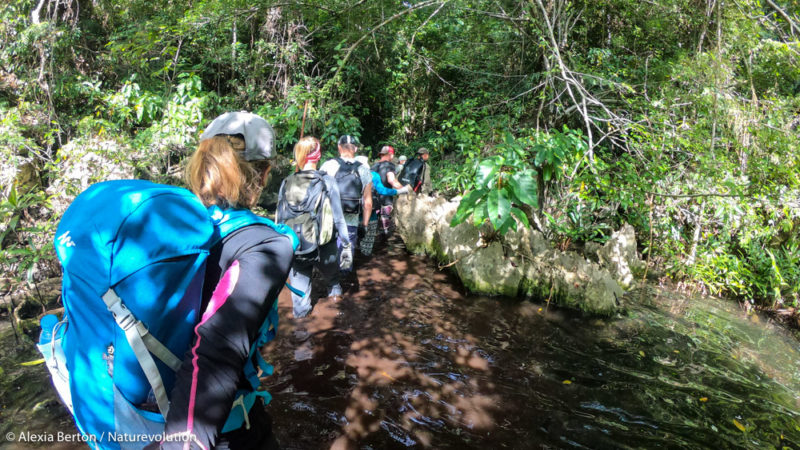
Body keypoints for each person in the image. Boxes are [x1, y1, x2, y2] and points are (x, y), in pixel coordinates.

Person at [157, 129, 294, 449]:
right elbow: (216, 349)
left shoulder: (181, 226)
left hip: (145, 409)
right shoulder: (263, 243)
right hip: (221, 427)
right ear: (263, 174)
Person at [277, 136, 352, 315]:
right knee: (333, 284)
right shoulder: (327, 181)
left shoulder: (286, 182)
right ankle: (335, 320)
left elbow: (279, 220)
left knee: (300, 304)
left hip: (297, 245)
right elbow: (339, 218)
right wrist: (347, 245)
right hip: (325, 246)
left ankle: (301, 334)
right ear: (318, 156)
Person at [320, 135, 372, 270]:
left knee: (327, 256)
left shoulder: (328, 166)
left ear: (339, 148)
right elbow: (368, 203)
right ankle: (344, 281)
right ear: (355, 149)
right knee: (346, 258)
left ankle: (331, 284)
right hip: (351, 222)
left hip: (328, 220)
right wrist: (364, 225)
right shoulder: (364, 170)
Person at [355, 155, 410, 255]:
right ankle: (366, 256)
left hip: (353, 213)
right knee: (367, 242)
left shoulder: (350, 174)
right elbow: (382, 190)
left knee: (352, 242)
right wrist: (399, 191)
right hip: (370, 213)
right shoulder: (373, 175)